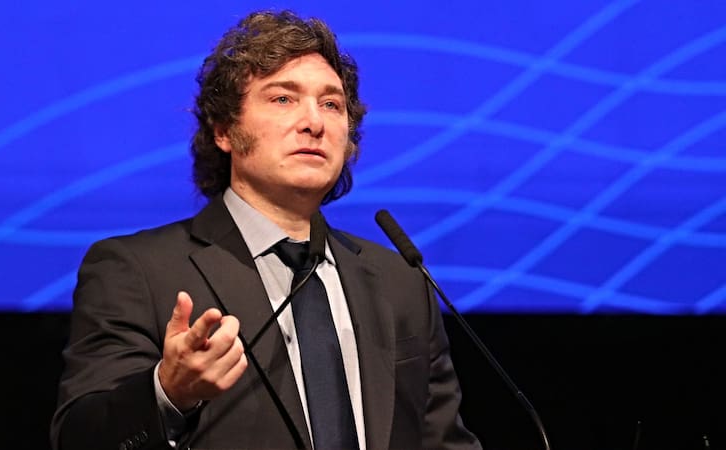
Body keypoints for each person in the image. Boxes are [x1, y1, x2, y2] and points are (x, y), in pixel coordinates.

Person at [51, 10, 481, 450]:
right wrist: (168, 393)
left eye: (331, 104)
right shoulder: (135, 271)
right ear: (224, 130)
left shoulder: (400, 282)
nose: (314, 122)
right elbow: (79, 439)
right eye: (283, 99)